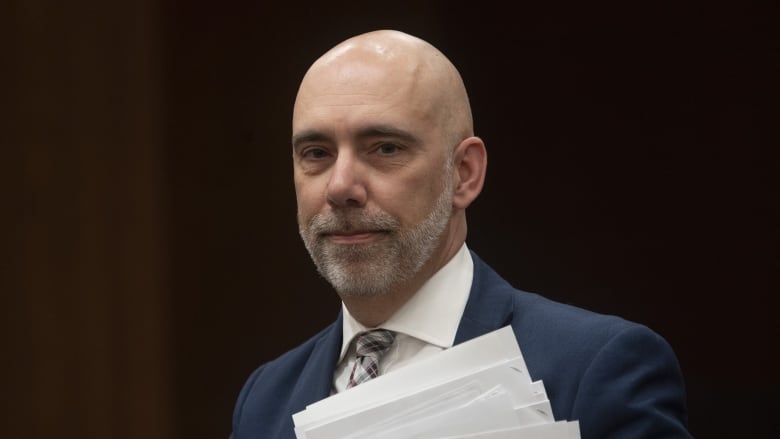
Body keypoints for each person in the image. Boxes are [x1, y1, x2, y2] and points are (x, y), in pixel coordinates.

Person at [230, 29, 691, 438]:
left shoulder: (597, 368)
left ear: (464, 174)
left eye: (385, 148)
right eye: (316, 153)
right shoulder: (265, 400)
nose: (341, 187)